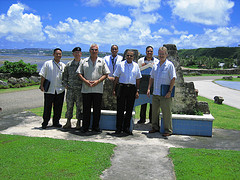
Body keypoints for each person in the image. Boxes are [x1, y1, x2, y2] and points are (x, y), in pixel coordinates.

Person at [77, 44, 110, 133]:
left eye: (95, 50)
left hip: (98, 89)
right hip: (86, 89)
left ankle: (96, 127)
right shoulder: (84, 61)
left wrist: (97, 81)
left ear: (97, 51)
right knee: (86, 109)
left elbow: (106, 74)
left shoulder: (101, 61)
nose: (94, 51)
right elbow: (79, 73)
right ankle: (85, 127)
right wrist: (85, 81)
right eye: (92, 49)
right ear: (89, 50)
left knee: (97, 109)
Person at [147, 46, 176, 137]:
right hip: (156, 92)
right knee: (154, 112)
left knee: (166, 112)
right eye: (160, 54)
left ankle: (168, 130)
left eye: (163, 54)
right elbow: (151, 78)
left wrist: (169, 91)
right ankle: (155, 127)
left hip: (165, 94)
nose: (161, 55)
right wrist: (148, 88)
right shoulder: (155, 65)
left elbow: (173, 78)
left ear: (166, 54)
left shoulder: (169, 65)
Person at [113, 50, 142, 135]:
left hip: (132, 89)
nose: (129, 57)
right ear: (125, 56)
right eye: (128, 55)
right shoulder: (120, 65)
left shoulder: (136, 66)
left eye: (131, 56)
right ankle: (118, 128)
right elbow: (116, 78)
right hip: (122, 88)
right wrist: (114, 89)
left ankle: (126, 128)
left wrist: (137, 90)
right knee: (120, 109)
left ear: (133, 57)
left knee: (129, 110)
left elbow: (138, 79)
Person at [39, 48, 65, 129]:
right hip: (49, 89)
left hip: (60, 89)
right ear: (53, 54)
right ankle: (45, 122)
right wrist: (41, 85)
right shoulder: (47, 64)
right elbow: (43, 75)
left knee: (58, 107)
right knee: (47, 107)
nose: (58, 55)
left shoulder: (63, 65)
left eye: (60, 54)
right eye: (57, 54)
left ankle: (56, 122)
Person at [62, 47, 83, 129]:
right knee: (69, 106)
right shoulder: (68, 65)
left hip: (80, 90)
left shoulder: (84, 64)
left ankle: (78, 123)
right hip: (70, 90)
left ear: (81, 54)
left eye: (79, 52)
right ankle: (68, 122)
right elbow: (64, 77)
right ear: (73, 54)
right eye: (75, 53)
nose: (77, 54)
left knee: (79, 107)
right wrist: (65, 84)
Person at [137, 46, 159, 124]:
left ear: (153, 52)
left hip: (153, 84)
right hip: (143, 83)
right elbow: (137, 71)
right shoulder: (140, 60)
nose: (149, 53)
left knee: (152, 103)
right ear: (146, 52)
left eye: (151, 51)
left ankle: (151, 119)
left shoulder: (156, 61)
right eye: (148, 51)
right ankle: (142, 118)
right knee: (143, 102)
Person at [102, 45, 123, 110]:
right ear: (111, 50)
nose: (114, 50)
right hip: (107, 80)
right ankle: (106, 109)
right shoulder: (106, 58)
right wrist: (108, 76)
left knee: (115, 97)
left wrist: (117, 78)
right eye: (113, 49)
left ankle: (115, 110)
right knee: (106, 97)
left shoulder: (121, 59)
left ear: (118, 50)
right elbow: (102, 69)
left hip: (118, 81)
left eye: (115, 49)